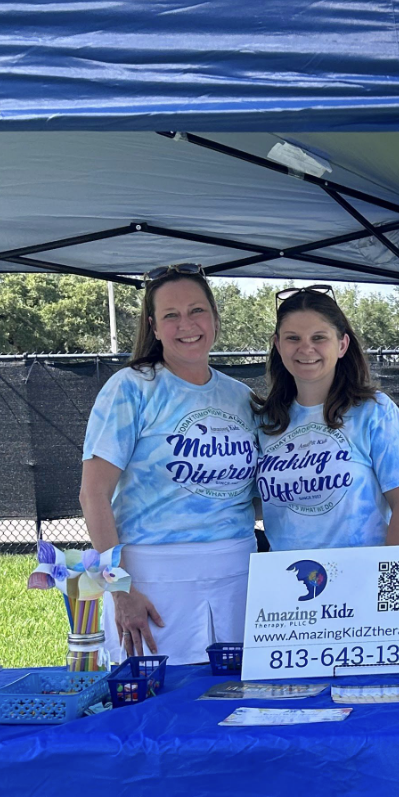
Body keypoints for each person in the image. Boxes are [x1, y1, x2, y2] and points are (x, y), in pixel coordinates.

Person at [80, 263, 257, 664]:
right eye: (171, 315)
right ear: (154, 327)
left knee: (239, 694)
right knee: (158, 698)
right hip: (152, 582)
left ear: (215, 318)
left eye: (196, 311)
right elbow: (93, 495)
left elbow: (253, 495)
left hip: (239, 579)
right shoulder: (131, 388)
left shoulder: (242, 397)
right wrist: (120, 589)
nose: (186, 325)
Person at [254, 286, 399, 550]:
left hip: (362, 572)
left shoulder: (374, 412)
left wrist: (391, 574)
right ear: (278, 345)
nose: (306, 348)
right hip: (288, 573)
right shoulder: (265, 422)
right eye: (293, 338)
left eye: (319, 337)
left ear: (342, 345)